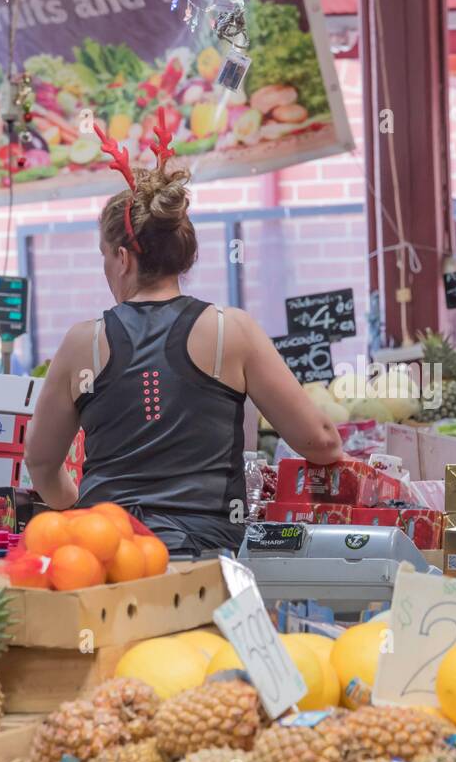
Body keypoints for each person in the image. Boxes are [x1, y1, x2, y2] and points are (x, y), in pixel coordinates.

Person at [24, 160, 343, 557]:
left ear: (122, 259)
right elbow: (321, 441)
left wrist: (81, 512)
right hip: (206, 557)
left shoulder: (82, 343)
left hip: (108, 557)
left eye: (104, 255)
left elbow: (39, 462)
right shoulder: (233, 331)